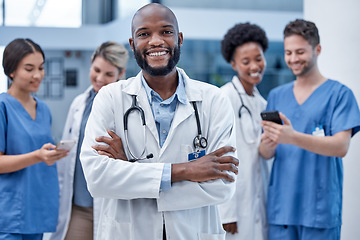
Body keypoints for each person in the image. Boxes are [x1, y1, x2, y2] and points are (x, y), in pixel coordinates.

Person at [80, 3, 239, 240]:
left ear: (180, 38)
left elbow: (222, 186)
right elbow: (97, 179)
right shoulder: (110, 98)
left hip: (192, 232)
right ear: (133, 44)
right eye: (144, 34)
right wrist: (186, 170)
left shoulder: (214, 100)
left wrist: (131, 171)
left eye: (166, 31)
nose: (156, 41)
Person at [259, 19, 360, 240]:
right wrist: (268, 144)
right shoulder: (277, 95)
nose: (293, 59)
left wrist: (293, 137)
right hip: (282, 210)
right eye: (288, 52)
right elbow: (266, 153)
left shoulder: (340, 95)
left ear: (317, 50)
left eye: (300, 52)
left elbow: (341, 147)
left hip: (319, 211)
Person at [48, 41, 129, 240]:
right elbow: (69, 150)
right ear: (91, 63)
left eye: (109, 74)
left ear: (121, 73)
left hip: (113, 203)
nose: (100, 78)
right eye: (97, 70)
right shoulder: (79, 103)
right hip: (79, 204)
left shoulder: (127, 106)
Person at [0, 38, 68, 240]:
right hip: (10, 214)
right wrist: (37, 156)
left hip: (38, 209)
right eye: (29, 69)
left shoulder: (44, 109)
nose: (37, 75)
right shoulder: (3, 106)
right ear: (11, 71)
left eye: (40, 68)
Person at [218, 23, 269, 240]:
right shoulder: (223, 98)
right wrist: (226, 212)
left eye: (258, 58)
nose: (254, 66)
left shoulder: (263, 103)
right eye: (245, 62)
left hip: (259, 201)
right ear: (233, 64)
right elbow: (220, 156)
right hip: (233, 208)